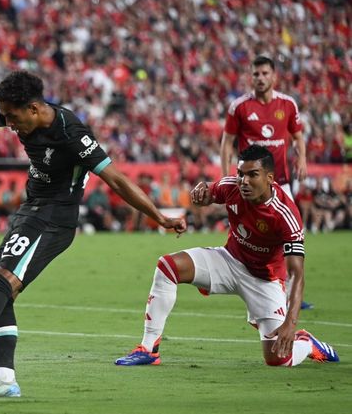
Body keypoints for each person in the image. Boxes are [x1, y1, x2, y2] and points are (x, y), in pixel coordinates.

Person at [0, 70, 186, 397]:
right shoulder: (18, 113)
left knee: (2, 281)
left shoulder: (71, 133)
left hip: (54, 218)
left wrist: (160, 217)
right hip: (32, 210)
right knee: (2, 286)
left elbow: (116, 179)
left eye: (12, 116)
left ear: (33, 108)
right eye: (5, 115)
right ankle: (4, 379)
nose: (9, 123)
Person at [115, 145, 339, 368]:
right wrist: (200, 193)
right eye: (241, 174)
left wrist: (291, 323)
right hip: (229, 260)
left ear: (270, 178)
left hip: (264, 280)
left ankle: (307, 343)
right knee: (168, 266)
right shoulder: (232, 186)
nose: (244, 181)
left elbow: (296, 274)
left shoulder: (285, 214)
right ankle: (149, 349)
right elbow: (207, 193)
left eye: (253, 175)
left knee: (278, 359)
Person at [220, 55, 312, 310]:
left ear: (274, 76)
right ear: (251, 77)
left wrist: (302, 159)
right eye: (256, 74)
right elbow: (227, 141)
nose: (260, 78)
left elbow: (298, 136)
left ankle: (290, 290)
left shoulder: (288, 104)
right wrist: (226, 172)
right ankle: (256, 284)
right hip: (251, 184)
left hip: (281, 183)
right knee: (251, 232)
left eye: (264, 73)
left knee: (292, 236)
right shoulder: (239, 107)